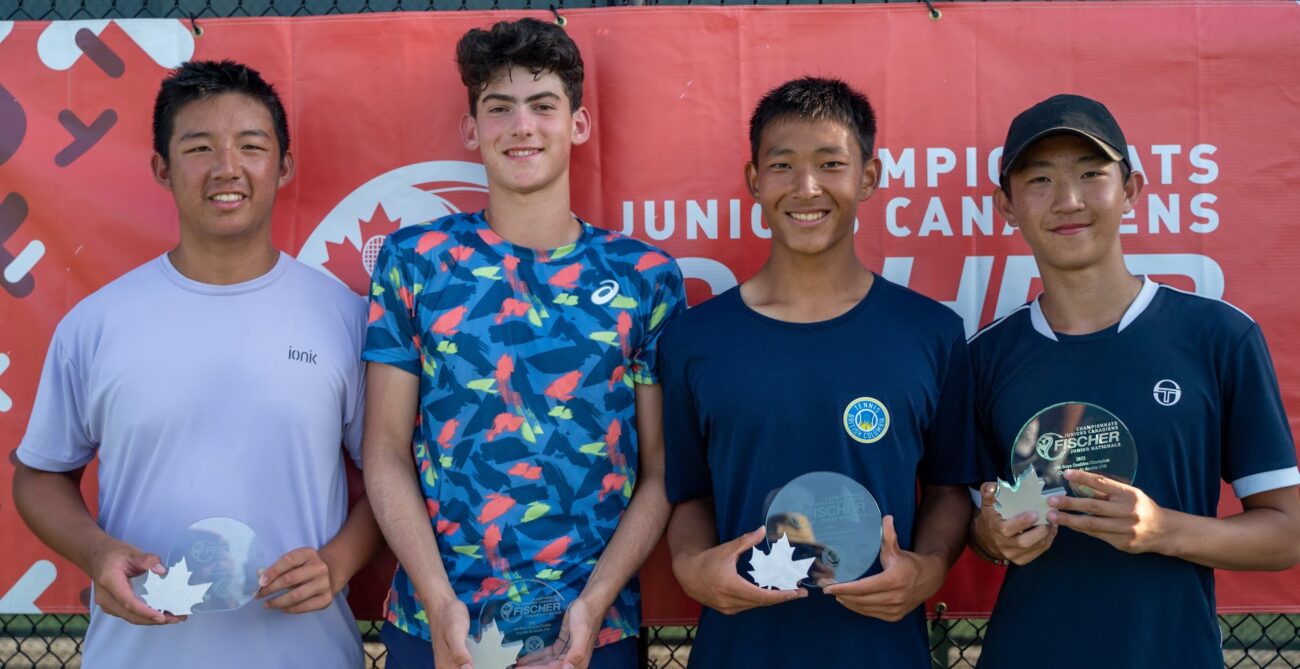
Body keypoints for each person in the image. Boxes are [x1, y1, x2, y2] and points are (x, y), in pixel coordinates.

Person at [12, 59, 380, 668]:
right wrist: (96, 552)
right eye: (199, 147)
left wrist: (338, 562)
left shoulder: (344, 317)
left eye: (251, 146)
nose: (226, 168)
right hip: (136, 655)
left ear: (283, 165)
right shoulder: (97, 323)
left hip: (306, 655)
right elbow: (40, 474)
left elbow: (390, 474)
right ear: (162, 167)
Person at [361, 18, 686, 669]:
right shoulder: (415, 262)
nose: (522, 126)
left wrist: (591, 606)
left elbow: (660, 471)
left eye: (543, 106)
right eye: (499, 107)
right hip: (435, 626)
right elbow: (386, 448)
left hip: (591, 635)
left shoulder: (644, 277)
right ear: (471, 129)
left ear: (578, 124)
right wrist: (437, 598)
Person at [969, 93, 1300, 668]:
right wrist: (992, 536)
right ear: (1007, 206)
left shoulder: (1218, 335)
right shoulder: (984, 358)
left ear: (1132, 191)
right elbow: (978, 523)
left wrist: (1161, 529)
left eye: (1092, 175)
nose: (1068, 201)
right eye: (1040, 179)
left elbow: (1287, 535)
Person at [661, 77, 976, 668]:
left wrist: (928, 570)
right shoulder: (694, 340)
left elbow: (948, 489)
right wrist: (692, 568)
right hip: (740, 649)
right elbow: (688, 494)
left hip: (881, 650)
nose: (806, 188)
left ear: (869, 177)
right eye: (782, 165)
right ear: (755, 181)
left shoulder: (930, 333)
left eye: (831, 163)